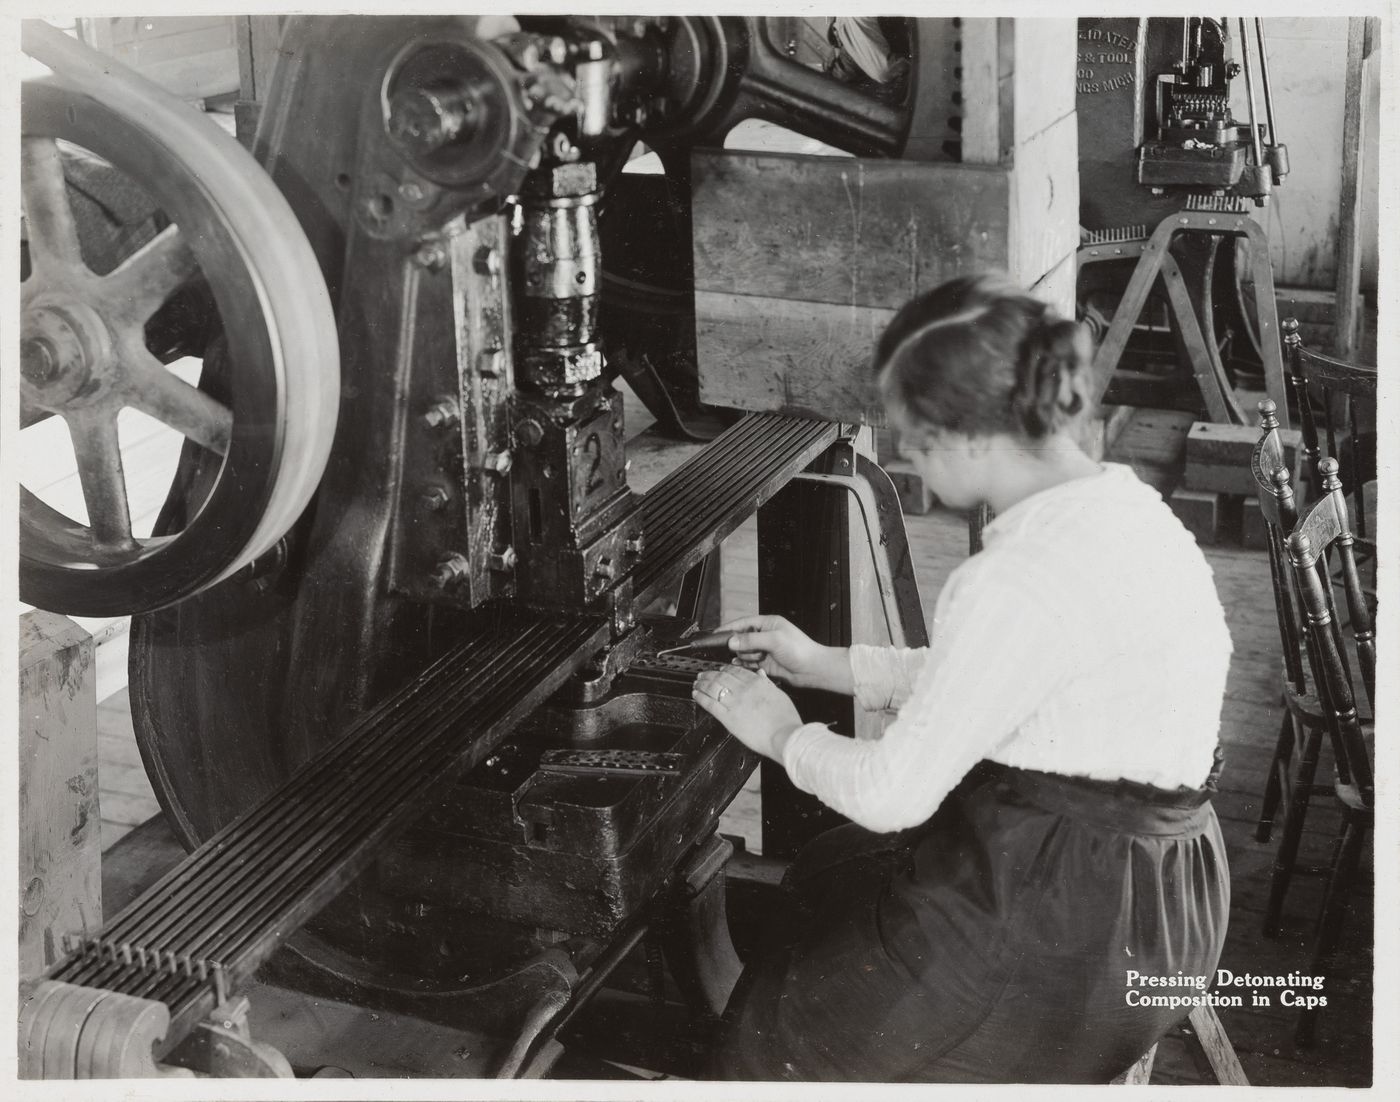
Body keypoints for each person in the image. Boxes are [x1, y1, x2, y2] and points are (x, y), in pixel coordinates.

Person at [693, 274, 1233, 1083]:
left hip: (1072, 921)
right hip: (1166, 894)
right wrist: (824, 663)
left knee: (780, 1039)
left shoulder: (1012, 574)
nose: (905, 453)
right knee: (832, 869)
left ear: (975, 437)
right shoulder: (1122, 509)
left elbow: (890, 794)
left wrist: (780, 730)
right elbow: (999, 674)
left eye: (915, 436)